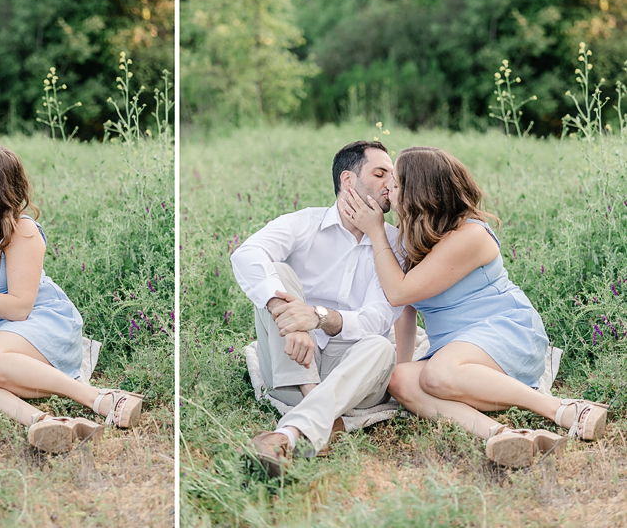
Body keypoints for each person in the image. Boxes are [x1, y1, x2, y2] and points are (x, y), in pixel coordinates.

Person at [339, 145, 608, 467]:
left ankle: (563, 409)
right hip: (457, 348)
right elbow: (406, 308)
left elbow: (398, 292)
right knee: (400, 379)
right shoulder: (411, 236)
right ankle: (503, 434)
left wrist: (374, 231)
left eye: (396, 184)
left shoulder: (470, 235)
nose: (388, 188)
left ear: (418, 192)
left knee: (438, 374)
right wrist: (401, 363)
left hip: (505, 332)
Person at [0, 144, 142, 454]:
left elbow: (19, 308)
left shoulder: (21, 230)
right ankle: (44, 421)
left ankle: (99, 398)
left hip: (40, 321)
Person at [231, 140, 407, 476]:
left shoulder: (395, 243)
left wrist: (319, 317)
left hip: (354, 376)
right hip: (291, 367)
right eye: (380, 173)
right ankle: (322, 415)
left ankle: (289, 431)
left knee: (382, 346)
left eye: (394, 177)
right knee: (276, 276)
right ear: (348, 180)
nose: (390, 184)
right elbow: (245, 255)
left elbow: (378, 317)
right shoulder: (304, 223)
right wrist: (294, 321)